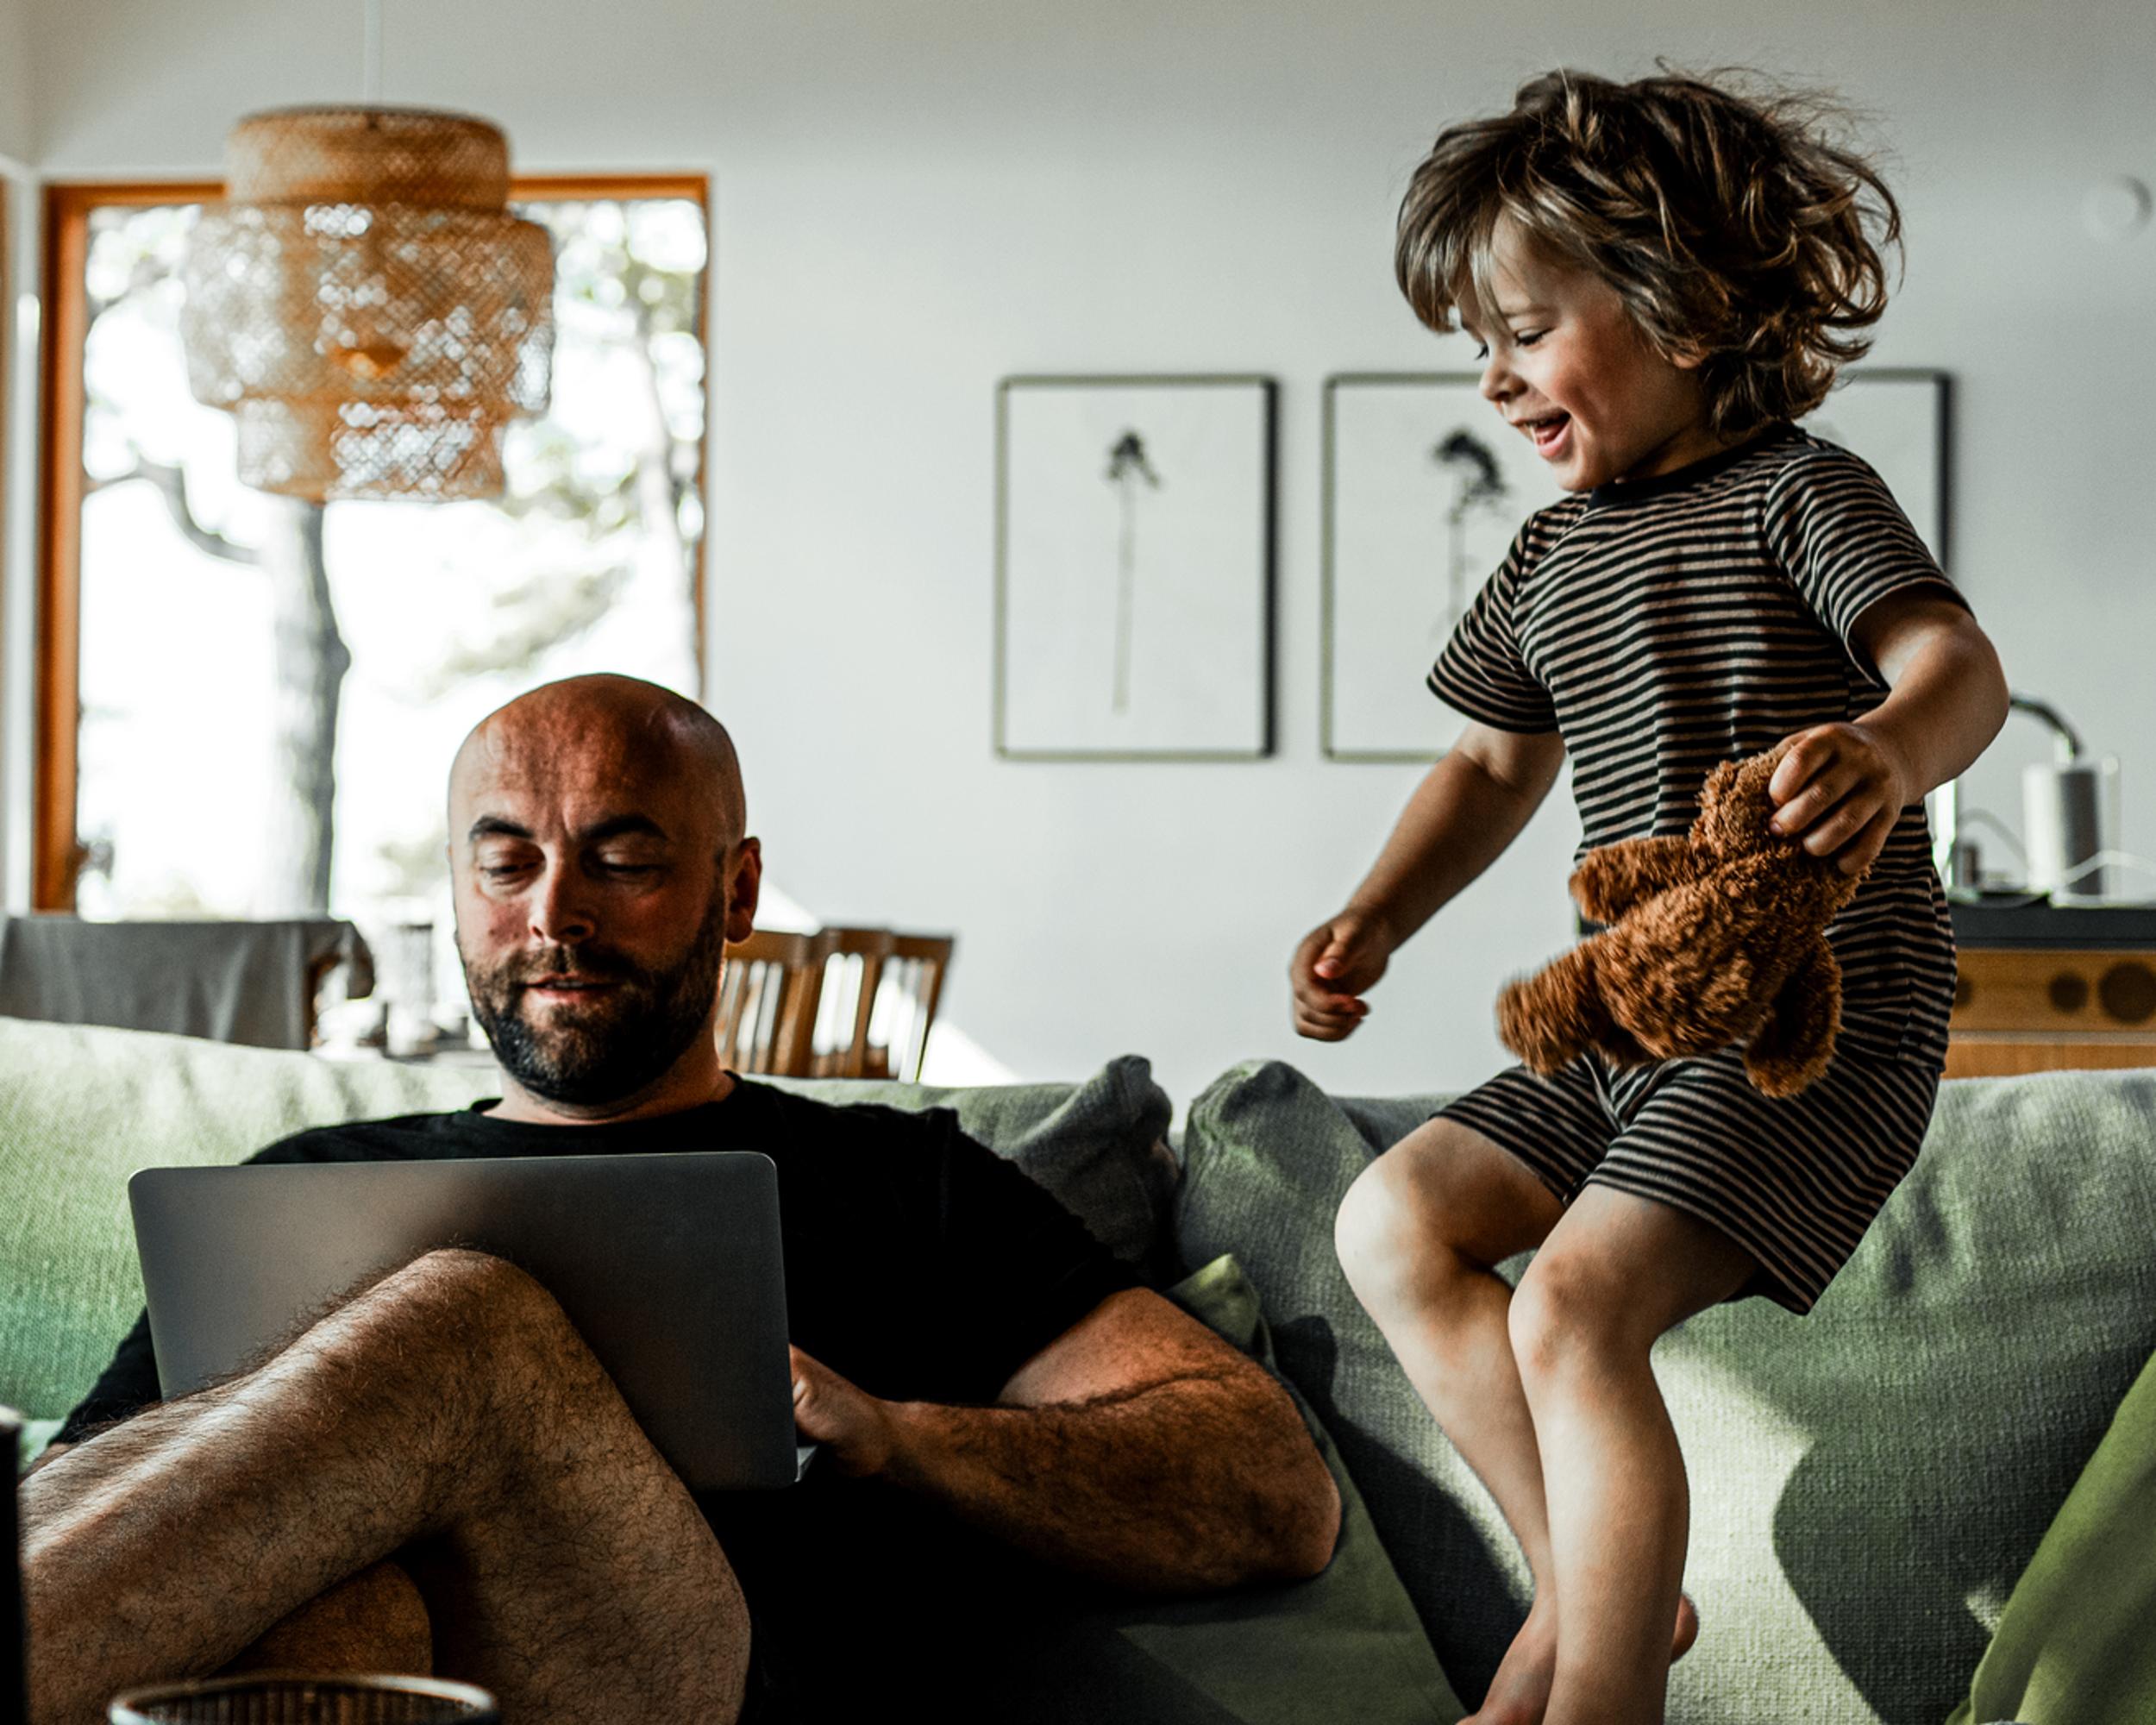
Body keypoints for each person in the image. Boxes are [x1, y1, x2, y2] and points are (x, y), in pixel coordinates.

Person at [26, 673, 1341, 1725]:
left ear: (739, 891)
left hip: (695, 1683)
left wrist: (899, 1437)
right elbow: (108, 1510)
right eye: (506, 864)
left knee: (470, 1321)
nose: (555, 915)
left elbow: (1271, 1489)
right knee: (344, 1638)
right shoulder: (301, 1191)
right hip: (338, 1675)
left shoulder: (904, 1183)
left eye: (622, 858)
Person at [1292, 70, 2009, 1725]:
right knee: (1391, 1220)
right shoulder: (1549, 555)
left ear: (1683, 308)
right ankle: (1599, 1591)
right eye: (1479, 342)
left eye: (1528, 329)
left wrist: (1894, 752)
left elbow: (1953, 664)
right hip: (1633, 1015)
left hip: (1812, 1031)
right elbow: (1485, 769)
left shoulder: (1800, 494)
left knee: (1573, 1302)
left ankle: (1598, 1695)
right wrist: (1378, 916)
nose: (1494, 376)